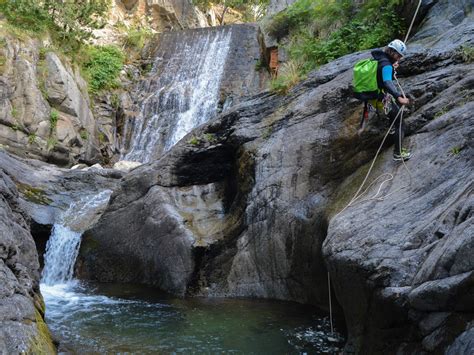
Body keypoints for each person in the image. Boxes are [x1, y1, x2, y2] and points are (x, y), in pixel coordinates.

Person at [370, 39, 411, 161]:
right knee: (399, 121)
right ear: (393, 52)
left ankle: (392, 129)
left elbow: (380, 72)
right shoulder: (386, 65)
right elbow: (387, 82)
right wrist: (398, 96)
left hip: (374, 95)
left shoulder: (380, 58)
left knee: (394, 114)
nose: (399, 58)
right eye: (398, 55)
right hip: (380, 97)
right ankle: (398, 153)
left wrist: (391, 67)